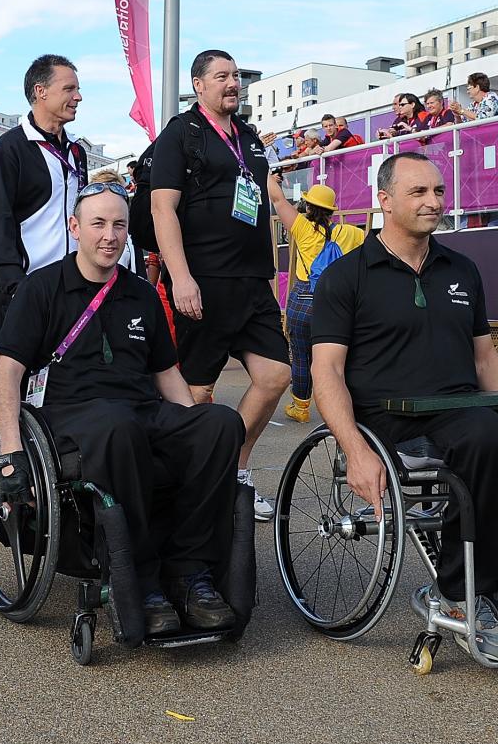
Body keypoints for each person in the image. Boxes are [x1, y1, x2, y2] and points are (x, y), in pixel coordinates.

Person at [0, 182, 245, 635]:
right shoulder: (42, 288)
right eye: (98, 224)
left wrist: (194, 425)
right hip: (70, 415)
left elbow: (167, 374)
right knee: (118, 426)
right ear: (74, 228)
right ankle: (140, 580)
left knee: (222, 423)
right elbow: (6, 372)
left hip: (139, 409)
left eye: (119, 225)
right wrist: (11, 452)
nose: (110, 235)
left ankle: (189, 574)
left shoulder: (142, 294)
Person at [312, 151, 498, 661]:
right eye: (419, 192)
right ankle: (460, 596)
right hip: (389, 420)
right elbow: (326, 372)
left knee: (486, 431)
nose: (434, 202)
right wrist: (353, 448)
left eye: (438, 191)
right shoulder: (347, 276)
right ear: (385, 200)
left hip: (461, 410)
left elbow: (485, 359)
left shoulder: (462, 269)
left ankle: (482, 585)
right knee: (486, 439)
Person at [150, 49, 291, 521]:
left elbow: (263, 211)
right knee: (198, 394)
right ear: (198, 85)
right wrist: (182, 277)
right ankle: (189, 488)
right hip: (204, 282)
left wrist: (270, 274)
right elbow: (162, 208)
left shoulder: (250, 138)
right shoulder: (181, 134)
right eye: (221, 76)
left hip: (252, 283)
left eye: (236, 76)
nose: (232, 84)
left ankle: (235, 467)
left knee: (276, 376)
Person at [0, 53, 88, 363]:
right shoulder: (11, 147)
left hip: (70, 283)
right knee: (13, 382)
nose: (78, 97)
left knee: (66, 376)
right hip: (24, 285)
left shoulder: (76, 151)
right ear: (40, 91)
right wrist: (14, 284)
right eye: (69, 89)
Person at [267, 173, 364, 423]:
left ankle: (300, 407)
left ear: (308, 206)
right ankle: (346, 405)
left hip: (303, 300)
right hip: (336, 303)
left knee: (300, 356)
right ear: (331, 210)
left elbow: (277, 200)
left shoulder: (301, 227)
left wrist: (267, 174)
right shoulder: (350, 233)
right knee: (340, 357)